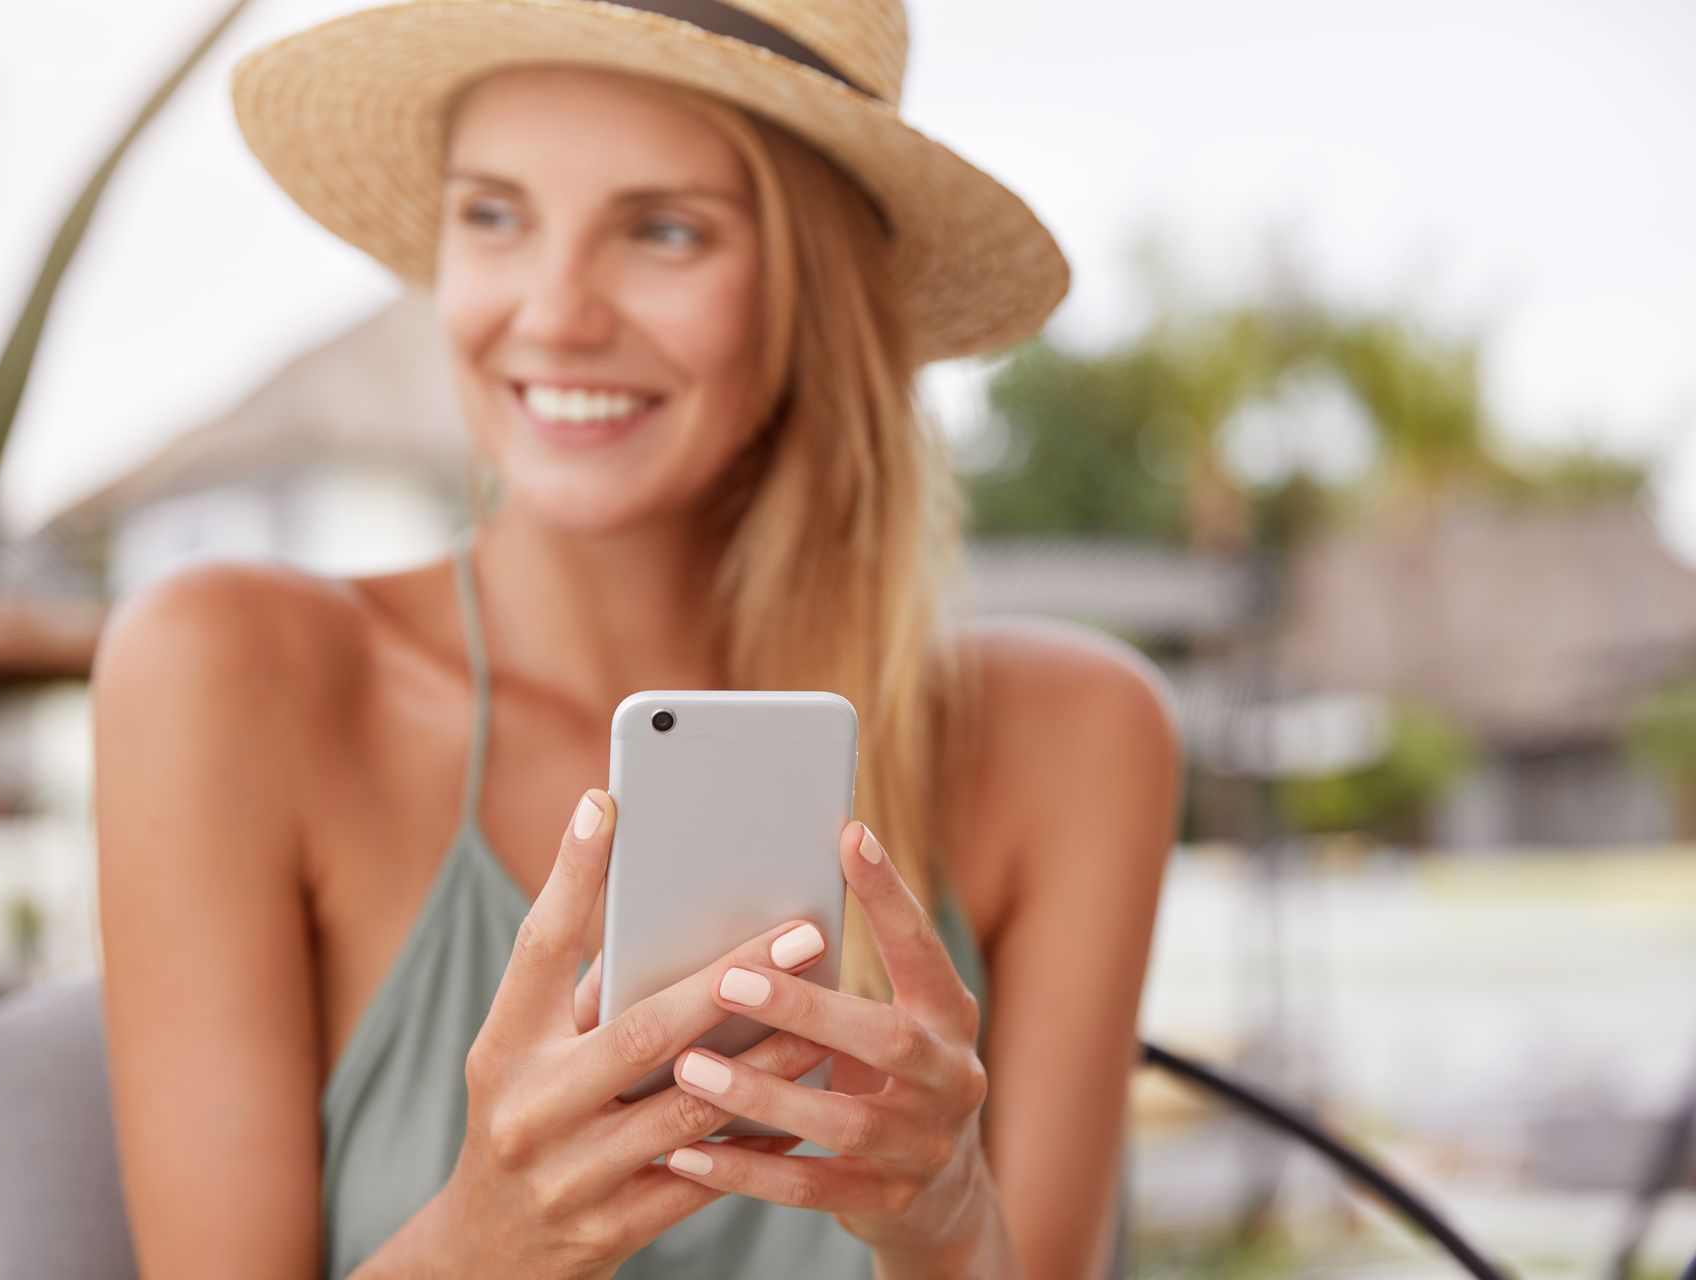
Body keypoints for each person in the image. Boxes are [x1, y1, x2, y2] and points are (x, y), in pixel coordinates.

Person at [91, 1, 1182, 1276]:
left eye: (665, 229)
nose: (554, 312)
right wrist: (485, 1240)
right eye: (493, 213)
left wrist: (946, 1226)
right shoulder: (231, 670)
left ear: (811, 289)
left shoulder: (1072, 740)